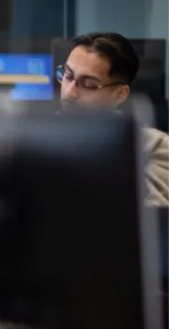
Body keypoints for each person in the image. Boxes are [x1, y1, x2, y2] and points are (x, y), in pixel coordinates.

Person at [58, 32, 169, 205]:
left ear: (120, 94)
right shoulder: (35, 138)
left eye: (89, 85)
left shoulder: (154, 147)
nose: (69, 93)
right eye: (68, 76)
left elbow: (155, 222)